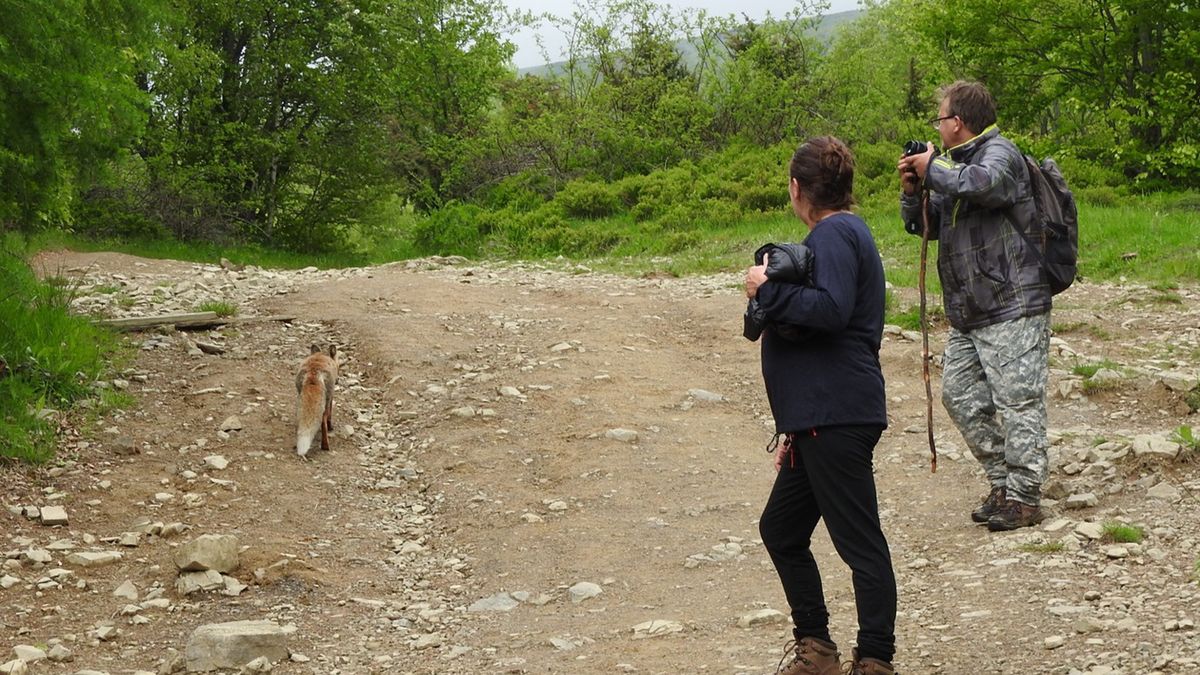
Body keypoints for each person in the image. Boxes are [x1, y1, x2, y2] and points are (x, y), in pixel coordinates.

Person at [746, 136, 896, 675]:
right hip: (819, 417)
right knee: (781, 530)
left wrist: (765, 290)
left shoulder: (834, 232)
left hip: (836, 414)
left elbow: (831, 311)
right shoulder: (845, 232)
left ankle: (875, 657)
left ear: (796, 189)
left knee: (860, 543)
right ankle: (817, 650)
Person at [896, 80, 1051, 531]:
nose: (937, 127)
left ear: (957, 122)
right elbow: (927, 228)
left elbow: (986, 186)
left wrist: (934, 169)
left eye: (940, 119)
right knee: (959, 395)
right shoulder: (951, 167)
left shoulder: (1000, 153)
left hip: (1013, 302)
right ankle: (1001, 483)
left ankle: (1025, 496)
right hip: (971, 310)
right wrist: (914, 190)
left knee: (1018, 401)